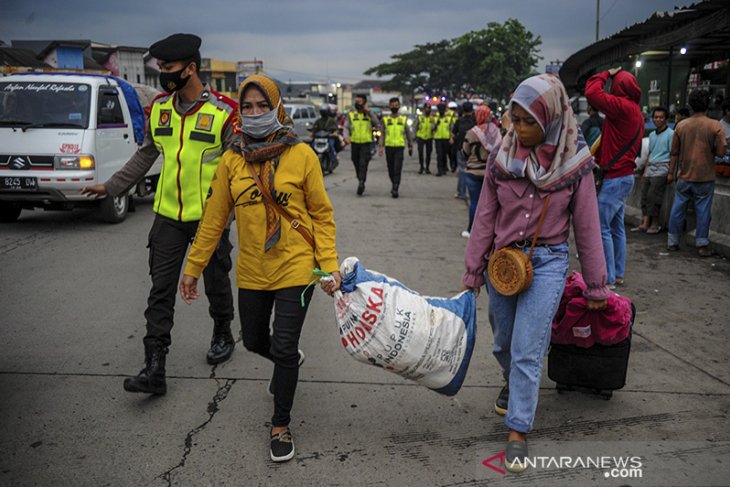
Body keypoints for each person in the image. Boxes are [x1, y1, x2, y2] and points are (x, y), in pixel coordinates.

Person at [179, 74, 341, 462]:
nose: (254, 114)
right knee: (252, 340)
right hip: (253, 268)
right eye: (247, 107)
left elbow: (321, 214)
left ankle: (281, 424)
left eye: (261, 106)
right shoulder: (232, 160)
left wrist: (329, 266)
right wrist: (193, 266)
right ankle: (286, 360)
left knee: (283, 347)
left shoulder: (301, 155)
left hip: (296, 266)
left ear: (276, 108)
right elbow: (214, 219)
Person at [462, 74, 609, 473]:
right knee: (503, 341)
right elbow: (485, 219)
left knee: (528, 346)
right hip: (503, 264)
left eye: (530, 121)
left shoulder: (575, 164)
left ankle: (517, 429)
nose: (520, 129)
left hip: (548, 262)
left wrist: (598, 284)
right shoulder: (500, 158)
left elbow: (588, 225)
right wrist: (473, 272)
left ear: (551, 119)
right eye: (515, 119)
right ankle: (512, 382)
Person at [81, 33, 237, 394]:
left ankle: (222, 331)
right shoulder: (160, 109)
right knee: (160, 290)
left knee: (215, 282)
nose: (164, 74)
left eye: (169, 68)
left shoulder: (223, 112)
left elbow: (236, 170)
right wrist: (111, 186)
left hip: (208, 219)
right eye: (161, 68)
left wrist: (227, 216)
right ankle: (154, 366)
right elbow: (146, 154)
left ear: (191, 68)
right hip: (167, 216)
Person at [585, 66, 643, 289]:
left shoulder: (621, 107)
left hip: (616, 178)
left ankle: (607, 277)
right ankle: (617, 273)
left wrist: (605, 73)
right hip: (625, 176)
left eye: (614, 84)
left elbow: (592, 93)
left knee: (602, 227)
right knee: (617, 227)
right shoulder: (635, 110)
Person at [666, 89, 726, 256]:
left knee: (677, 209)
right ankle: (702, 245)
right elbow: (721, 152)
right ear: (708, 104)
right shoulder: (715, 125)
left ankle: (672, 242)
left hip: (684, 175)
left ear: (690, 105)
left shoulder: (681, 125)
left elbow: (674, 153)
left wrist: (671, 173)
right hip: (705, 176)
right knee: (703, 211)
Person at [460, 104, 501, 238]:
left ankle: (471, 229)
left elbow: (464, 153)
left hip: (473, 172)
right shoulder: (495, 131)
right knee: (490, 204)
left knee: (475, 202)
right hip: (489, 174)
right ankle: (488, 232)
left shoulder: (472, 132)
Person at [631, 107, 673, 234]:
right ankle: (645, 223)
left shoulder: (671, 134)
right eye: (655, 117)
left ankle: (655, 224)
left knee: (654, 196)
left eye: (661, 117)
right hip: (650, 167)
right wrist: (645, 170)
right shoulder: (651, 135)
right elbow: (650, 153)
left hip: (662, 168)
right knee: (644, 195)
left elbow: (673, 154)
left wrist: (671, 172)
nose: (658, 120)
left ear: (666, 119)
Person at [343, 94, 381, 195]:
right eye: (356, 102)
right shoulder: (351, 115)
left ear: (364, 103)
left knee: (363, 163)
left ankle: (361, 182)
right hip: (354, 142)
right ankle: (360, 178)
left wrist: (367, 111)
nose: (357, 104)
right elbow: (346, 127)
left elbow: (377, 123)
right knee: (355, 161)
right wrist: (346, 137)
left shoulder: (369, 115)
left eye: (360, 102)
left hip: (366, 143)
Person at [378, 97, 413, 198]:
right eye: (392, 105)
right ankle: (394, 183)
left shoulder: (403, 119)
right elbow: (382, 134)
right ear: (389, 106)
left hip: (399, 147)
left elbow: (408, 133)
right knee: (390, 168)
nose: (394, 107)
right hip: (389, 147)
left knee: (397, 168)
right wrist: (381, 147)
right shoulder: (385, 120)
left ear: (399, 106)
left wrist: (410, 145)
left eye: (396, 105)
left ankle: (395, 187)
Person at [452, 101, 476, 200]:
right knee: (472, 171)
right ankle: (471, 192)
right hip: (473, 149)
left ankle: (461, 192)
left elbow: (453, 134)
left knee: (462, 170)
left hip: (461, 148)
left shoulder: (459, 121)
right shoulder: (475, 122)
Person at [414, 103, 435, 174]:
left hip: (429, 137)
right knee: (420, 152)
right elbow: (415, 127)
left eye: (429, 108)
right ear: (424, 109)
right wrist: (415, 136)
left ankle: (427, 168)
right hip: (421, 137)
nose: (427, 109)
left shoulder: (432, 118)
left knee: (428, 153)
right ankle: (421, 167)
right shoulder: (420, 117)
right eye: (426, 108)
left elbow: (434, 127)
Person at [433, 102, 453, 176]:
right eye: (439, 109)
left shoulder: (448, 118)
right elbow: (432, 129)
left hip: (446, 138)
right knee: (439, 154)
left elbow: (451, 128)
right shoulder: (435, 118)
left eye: (442, 109)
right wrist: (436, 124)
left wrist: (451, 137)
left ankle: (444, 168)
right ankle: (439, 170)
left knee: (444, 154)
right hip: (438, 138)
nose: (441, 111)